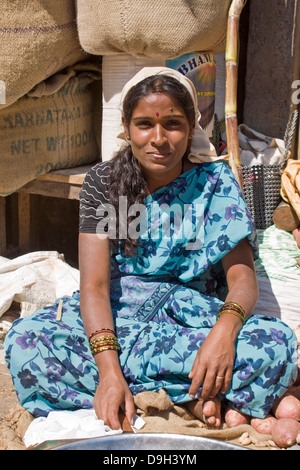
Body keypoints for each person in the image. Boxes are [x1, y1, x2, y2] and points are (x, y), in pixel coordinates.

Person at [4, 67, 298, 432]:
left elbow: (242, 278)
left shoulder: (215, 183)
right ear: (126, 128)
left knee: (275, 344)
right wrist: (109, 371)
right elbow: (94, 287)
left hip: (189, 321)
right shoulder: (104, 183)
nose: (159, 138)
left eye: (173, 124)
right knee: (24, 342)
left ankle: (152, 392)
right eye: (145, 124)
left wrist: (222, 335)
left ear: (191, 128)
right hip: (119, 315)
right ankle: (190, 392)